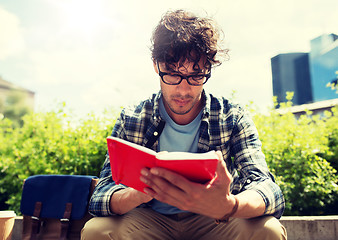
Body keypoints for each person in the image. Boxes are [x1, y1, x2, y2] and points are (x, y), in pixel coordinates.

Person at [82, 9, 287, 240]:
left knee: (268, 230)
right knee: (96, 231)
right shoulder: (133, 118)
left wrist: (229, 205)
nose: (183, 89)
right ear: (155, 65)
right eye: (171, 74)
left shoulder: (232, 117)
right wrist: (138, 194)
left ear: (208, 69)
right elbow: (100, 197)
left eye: (196, 76)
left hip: (215, 220)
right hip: (149, 220)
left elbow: (268, 189)